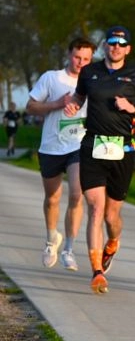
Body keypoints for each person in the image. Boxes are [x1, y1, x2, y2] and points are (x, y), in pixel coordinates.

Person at [64, 26, 135, 294]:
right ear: (105, 45)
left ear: (127, 48)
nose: (116, 46)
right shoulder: (89, 72)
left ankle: (113, 241)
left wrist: (134, 109)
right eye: (111, 42)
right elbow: (78, 96)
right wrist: (73, 104)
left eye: (121, 43)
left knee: (111, 215)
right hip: (93, 146)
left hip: (123, 150)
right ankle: (96, 271)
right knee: (95, 208)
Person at [25, 38, 95, 270]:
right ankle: (51, 240)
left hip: (78, 145)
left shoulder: (94, 81)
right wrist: (57, 103)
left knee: (77, 194)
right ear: (69, 54)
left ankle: (69, 249)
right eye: (77, 57)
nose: (81, 63)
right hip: (52, 146)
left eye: (86, 59)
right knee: (53, 198)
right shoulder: (52, 78)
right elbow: (31, 106)